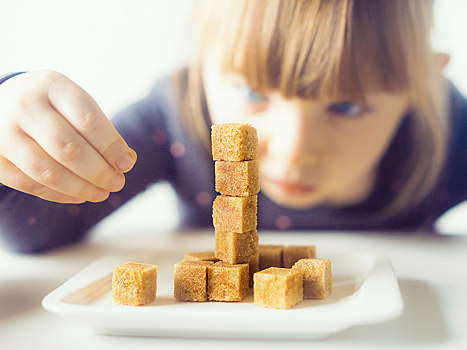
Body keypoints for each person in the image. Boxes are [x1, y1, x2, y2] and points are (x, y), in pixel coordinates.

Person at [0, 0, 466, 254]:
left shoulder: (449, 133)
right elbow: (36, 230)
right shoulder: (173, 116)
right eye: (254, 95)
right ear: (202, 67)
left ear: (418, 83)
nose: (292, 153)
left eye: (347, 108)